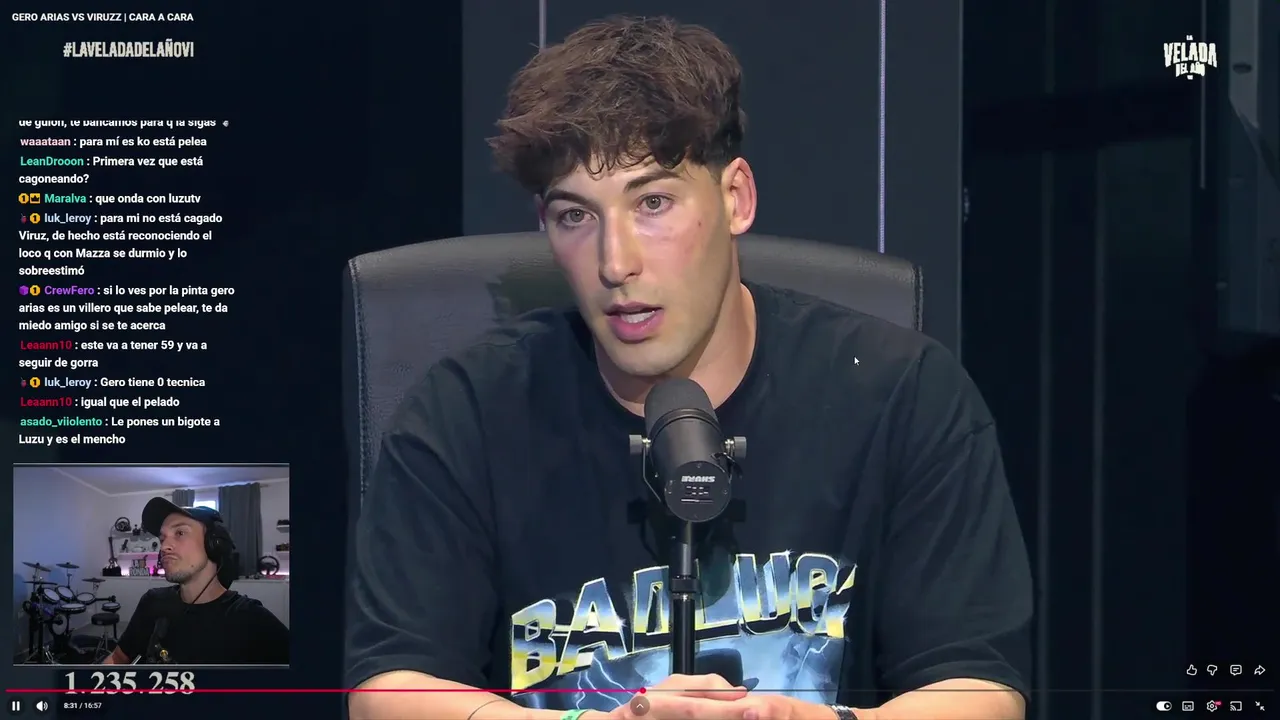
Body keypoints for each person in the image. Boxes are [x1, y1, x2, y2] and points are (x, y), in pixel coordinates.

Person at [346, 15, 1031, 720]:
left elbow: (981, 694)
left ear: (736, 198)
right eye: (575, 216)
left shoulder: (900, 394)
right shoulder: (466, 413)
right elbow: (387, 693)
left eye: (653, 203)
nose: (616, 263)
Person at [101, 497, 290, 665]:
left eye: (180, 533)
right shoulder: (152, 601)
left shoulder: (250, 619)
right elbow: (117, 659)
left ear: (214, 544)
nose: (164, 546)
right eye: (162, 538)